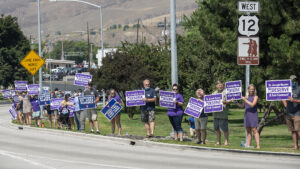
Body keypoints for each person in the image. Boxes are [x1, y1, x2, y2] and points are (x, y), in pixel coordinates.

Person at [233, 84, 260, 149]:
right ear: (248, 89)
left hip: (253, 114)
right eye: (250, 89)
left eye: (252, 89)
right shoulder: (246, 96)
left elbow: (252, 105)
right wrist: (235, 102)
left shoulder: (255, 97)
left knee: (254, 130)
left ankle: (258, 145)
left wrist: (245, 99)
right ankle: (248, 145)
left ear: (254, 90)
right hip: (247, 115)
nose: (251, 90)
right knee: (248, 130)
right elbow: (242, 106)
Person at [282, 75, 300, 150]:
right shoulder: (287, 89)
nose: (293, 82)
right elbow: (282, 97)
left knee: (298, 130)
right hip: (289, 113)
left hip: (297, 113)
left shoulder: (299, 89)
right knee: (292, 131)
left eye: (294, 80)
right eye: (291, 80)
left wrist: (294, 100)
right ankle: (295, 146)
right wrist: (286, 105)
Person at [212, 80, 230, 146]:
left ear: (223, 85)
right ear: (216, 86)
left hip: (223, 114)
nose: (220, 86)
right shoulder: (214, 93)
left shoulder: (226, 92)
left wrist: (223, 102)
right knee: (216, 129)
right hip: (215, 114)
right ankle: (218, 142)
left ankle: (226, 142)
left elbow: (229, 102)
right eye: (219, 85)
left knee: (224, 129)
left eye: (221, 85)